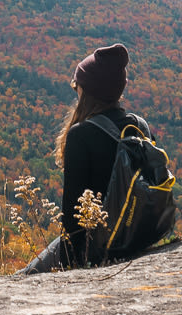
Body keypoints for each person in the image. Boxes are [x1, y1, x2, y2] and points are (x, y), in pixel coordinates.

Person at [19, 43, 144, 273]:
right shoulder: (138, 127)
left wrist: (68, 272)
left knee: (20, 280)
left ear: (89, 90)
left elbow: (72, 225)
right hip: (137, 238)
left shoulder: (81, 136)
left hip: (96, 246)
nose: (75, 89)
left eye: (78, 84)